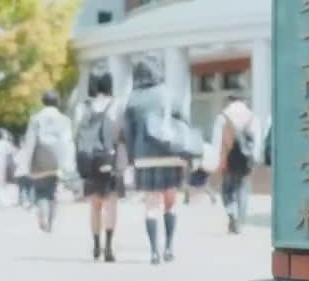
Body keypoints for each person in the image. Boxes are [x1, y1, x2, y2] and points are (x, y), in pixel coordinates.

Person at [123, 56, 186, 265]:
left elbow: (128, 133)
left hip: (144, 157)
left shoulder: (133, 99)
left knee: (151, 204)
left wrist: (132, 159)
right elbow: (183, 123)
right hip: (170, 154)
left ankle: (154, 252)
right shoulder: (169, 94)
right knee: (170, 202)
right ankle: (169, 247)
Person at [76, 71, 122, 262]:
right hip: (108, 158)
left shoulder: (82, 107)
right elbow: (119, 131)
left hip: (88, 159)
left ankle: (96, 245)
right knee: (110, 203)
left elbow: (77, 133)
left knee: (95, 206)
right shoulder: (115, 105)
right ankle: (108, 247)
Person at [20, 90, 75, 233]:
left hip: (40, 158)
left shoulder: (36, 119)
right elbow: (67, 141)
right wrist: (68, 163)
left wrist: (25, 163)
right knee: (52, 191)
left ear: (43, 102)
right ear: (57, 102)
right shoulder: (64, 120)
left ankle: (43, 216)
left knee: (41, 191)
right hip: (57, 159)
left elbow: (30, 141)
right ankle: (50, 220)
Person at [210, 94, 256, 235]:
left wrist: (217, 160)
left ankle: (232, 215)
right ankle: (240, 222)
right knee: (243, 189)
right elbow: (256, 139)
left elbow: (217, 141)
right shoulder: (251, 116)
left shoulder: (223, 116)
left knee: (227, 190)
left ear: (230, 101)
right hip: (245, 159)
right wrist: (254, 158)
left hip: (228, 158)